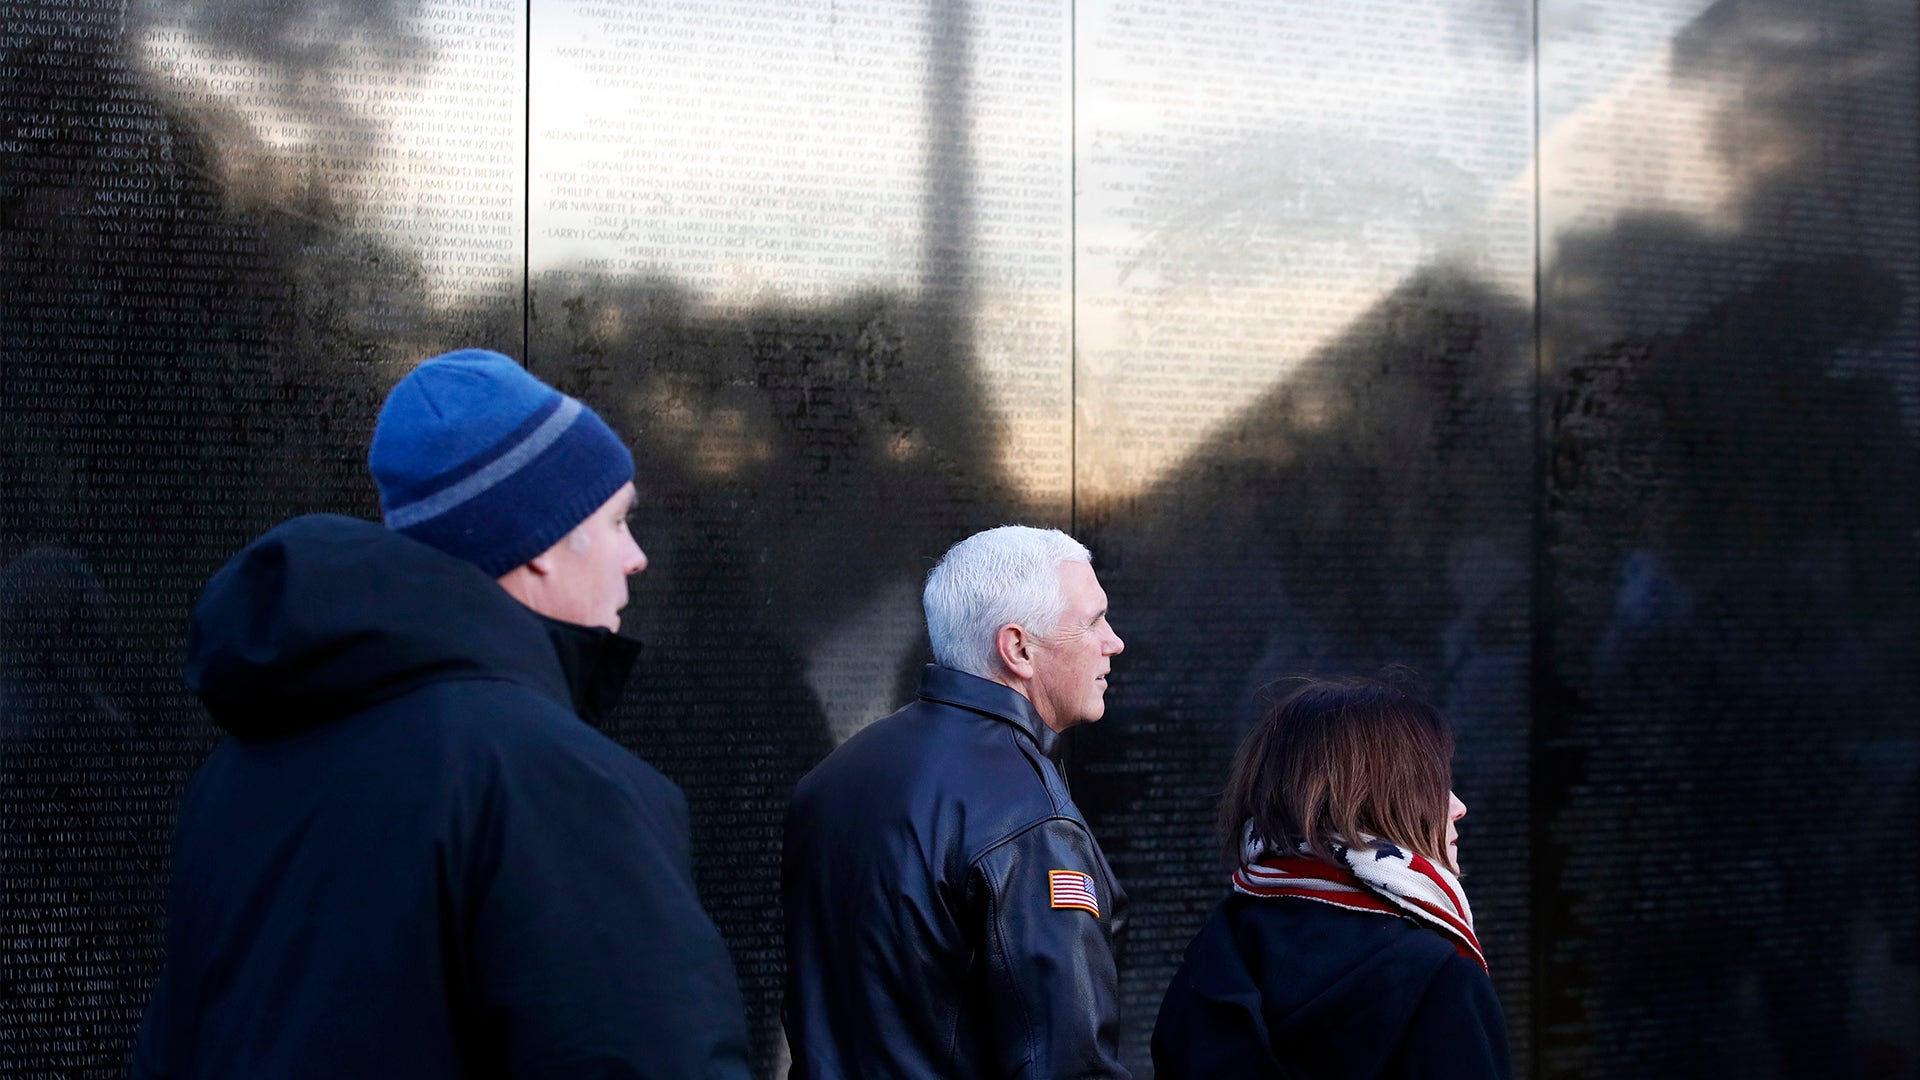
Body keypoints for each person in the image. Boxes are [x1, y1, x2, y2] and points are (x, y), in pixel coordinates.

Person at [131, 349, 751, 1079]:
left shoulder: (235, 774)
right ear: (542, 541)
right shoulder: (550, 782)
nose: (637, 557)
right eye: (618, 522)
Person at [782, 525, 1131, 1079]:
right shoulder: (1029, 817)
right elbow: (1067, 1061)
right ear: (1018, 648)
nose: (1113, 641)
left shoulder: (833, 777)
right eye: (1092, 621)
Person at [1151, 676, 1510, 1079]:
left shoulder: (1218, 950)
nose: (1458, 807)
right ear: (1379, 799)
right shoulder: (1439, 979)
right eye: (1436, 786)